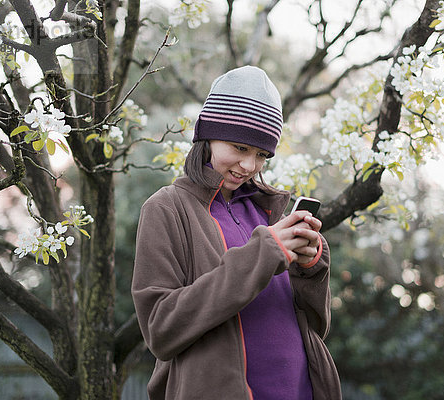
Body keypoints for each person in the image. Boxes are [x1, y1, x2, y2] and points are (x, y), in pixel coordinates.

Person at [132, 65, 341, 400]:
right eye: (239, 148)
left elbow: (316, 326)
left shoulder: (269, 213)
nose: (249, 166)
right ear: (208, 136)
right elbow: (160, 329)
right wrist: (263, 253)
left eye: (261, 155)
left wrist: (310, 267)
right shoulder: (166, 209)